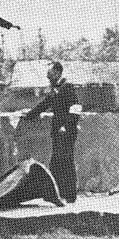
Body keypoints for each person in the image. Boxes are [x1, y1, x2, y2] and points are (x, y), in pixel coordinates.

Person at [23, 61, 80, 203]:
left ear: (57, 72)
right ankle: (58, 193)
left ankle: (68, 195)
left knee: (65, 161)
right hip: (58, 130)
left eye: (50, 73)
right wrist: (29, 114)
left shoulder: (68, 87)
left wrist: (66, 126)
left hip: (66, 131)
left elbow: (75, 109)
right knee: (57, 161)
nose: (48, 76)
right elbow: (45, 104)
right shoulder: (56, 88)